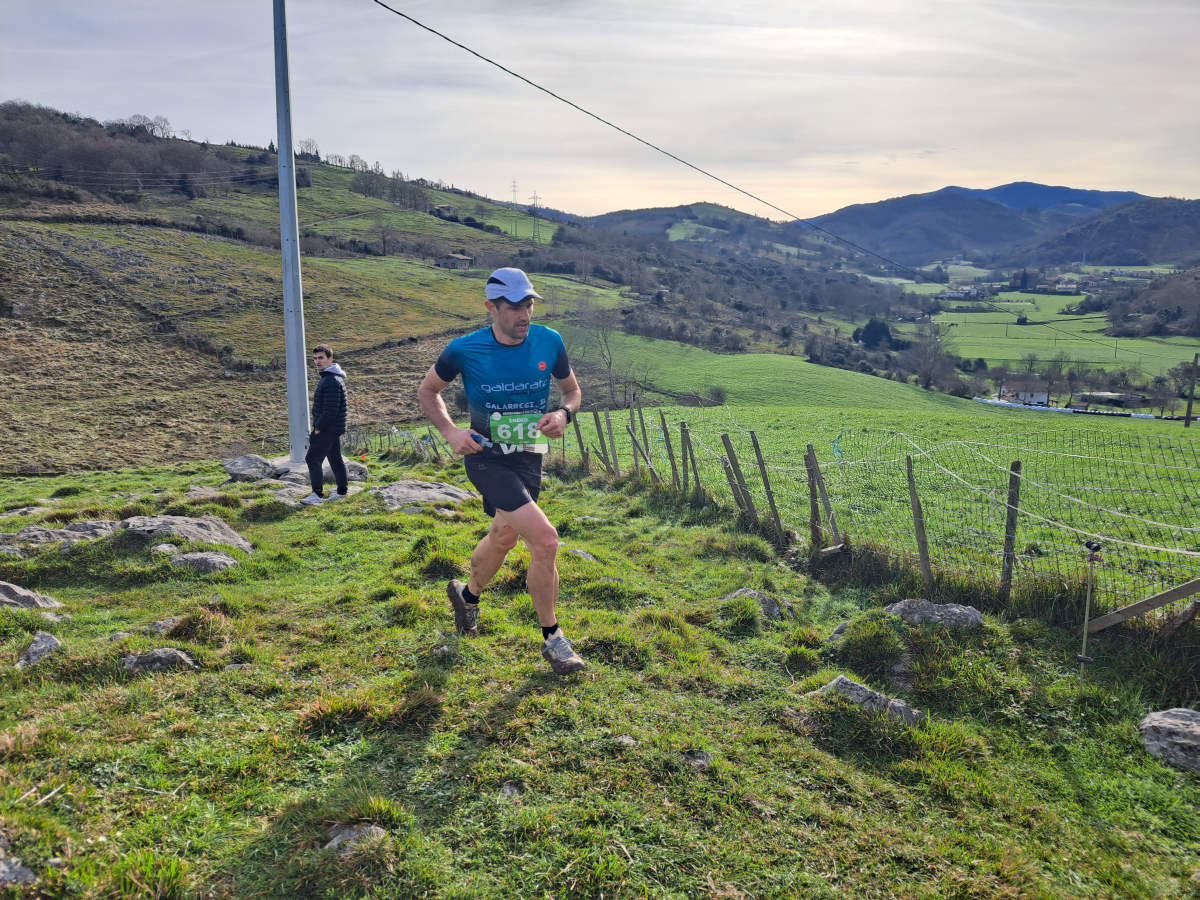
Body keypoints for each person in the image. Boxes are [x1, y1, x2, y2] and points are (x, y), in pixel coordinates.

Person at [417, 267, 585, 675]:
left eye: (529, 304)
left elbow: (572, 391)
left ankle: (467, 596)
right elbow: (428, 391)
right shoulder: (464, 349)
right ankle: (553, 639)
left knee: (504, 534)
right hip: (486, 457)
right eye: (514, 307)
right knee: (545, 541)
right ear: (491, 307)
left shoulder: (550, 341)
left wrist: (563, 414)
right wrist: (450, 432)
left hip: (529, 454)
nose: (524, 314)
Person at [301, 344, 348, 505]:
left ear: (330, 359)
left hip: (328, 428)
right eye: (315, 358)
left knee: (312, 458)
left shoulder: (330, 381)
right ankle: (342, 492)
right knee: (335, 459)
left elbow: (330, 410)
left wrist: (318, 428)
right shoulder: (332, 378)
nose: (317, 361)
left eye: (320, 358)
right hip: (333, 428)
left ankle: (317, 495)